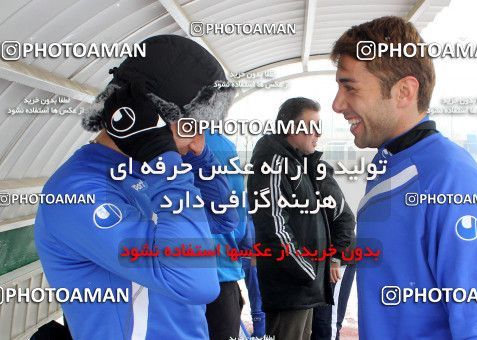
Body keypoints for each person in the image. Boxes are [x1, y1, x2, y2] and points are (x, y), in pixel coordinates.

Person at [34, 35, 239, 339]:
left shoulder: (148, 169)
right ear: (149, 117)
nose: (198, 142)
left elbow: (224, 218)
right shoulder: (77, 192)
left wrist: (201, 157)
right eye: (192, 127)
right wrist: (166, 162)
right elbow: (193, 282)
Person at [331, 16, 477, 339]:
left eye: (349, 87)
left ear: (404, 91)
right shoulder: (388, 166)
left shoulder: (452, 180)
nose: (337, 104)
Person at [247, 97, 333, 340]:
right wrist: (307, 270)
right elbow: (273, 226)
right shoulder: (273, 162)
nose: (317, 133)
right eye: (311, 126)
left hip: (302, 289)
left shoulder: (295, 162)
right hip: (291, 289)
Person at [203, 129, 247, 340]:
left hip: (174, 271)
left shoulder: (157, 141)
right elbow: (239, 209)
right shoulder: (222, 144)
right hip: (222, 270)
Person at [311, 161, 356, 340]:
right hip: (323, 257)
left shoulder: (322, 182)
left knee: (328, 317)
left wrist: (335, 258)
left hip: (340, 257)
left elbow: (347, 220)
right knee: (319, 317)